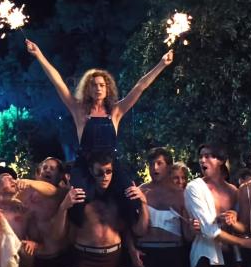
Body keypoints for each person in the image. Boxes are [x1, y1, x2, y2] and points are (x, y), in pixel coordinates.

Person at [26, 39, 172, 224]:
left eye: (102, 85)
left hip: (111, 163)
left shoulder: (116, 111)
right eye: (94, 85)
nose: (98, 88)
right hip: (84, 163)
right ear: (88, 89)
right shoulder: (79, 109)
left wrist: (162, 64)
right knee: (76, 203)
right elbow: (58, 82)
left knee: (131, 199)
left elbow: (140, 86)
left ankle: (127, 243)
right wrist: (39, 54)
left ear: (107, 88)